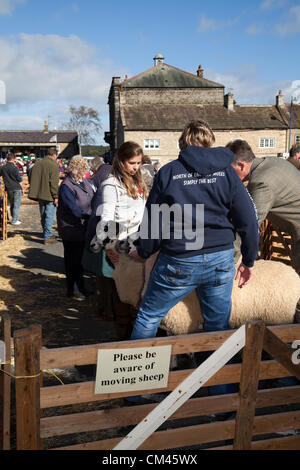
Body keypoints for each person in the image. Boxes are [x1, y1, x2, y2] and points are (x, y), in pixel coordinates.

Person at [129, 120, 259, 342]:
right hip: (220, 257)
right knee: (217, 325)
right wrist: (248, 260)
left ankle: (140, 374)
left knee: (149, 316)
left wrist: (143, 251)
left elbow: (154, 221)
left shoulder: (168, 173)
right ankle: (219, 376)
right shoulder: (227, 173)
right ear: (209, 143)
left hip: (180, 258)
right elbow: (248, 219)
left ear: (183, 143)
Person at [90, 141, 148, 339]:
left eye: (139, 163)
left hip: (138, 243)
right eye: (132, 163)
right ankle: (123, 339)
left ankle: (135, 334)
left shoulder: (138, 183)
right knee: (121, 294)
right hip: (119, 244)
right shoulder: (110, 185)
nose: (136, 167)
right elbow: (106, 218)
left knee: (138, 292)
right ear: (121, 161)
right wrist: (109, 247)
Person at [226, 139, 300, 277]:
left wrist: (228, 262)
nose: (228, 176)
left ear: (241, 165)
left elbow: (248, 225)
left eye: (230, 170)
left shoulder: (262, 182)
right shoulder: (272, 163)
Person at [57, 155, 95, 300]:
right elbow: (73, 209)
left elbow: (93, 196)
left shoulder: (84, 181)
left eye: (84, 171)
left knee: (80, 261)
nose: (82, 174)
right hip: (71, 229)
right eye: (80, 171)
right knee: (72, 261)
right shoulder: (66, 186)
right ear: (73, 170)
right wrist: (89, 216)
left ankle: (81, 287)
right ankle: (72, 290)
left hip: (83, 227)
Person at [28, 148, 59, 244]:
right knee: (49, 215)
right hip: (49, 194)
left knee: (43, 214)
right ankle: (48, 236)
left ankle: (46, 232)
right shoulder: (53, 164)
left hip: (40, 194)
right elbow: (53, 183)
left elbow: (31, 177)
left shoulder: (37, 164)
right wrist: (56, 196)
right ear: (55, 155)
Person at [0, 152, 24, 225]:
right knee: (16, 204)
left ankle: (14, 217)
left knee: (12, 204)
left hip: (8, 188)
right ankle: (14, 220)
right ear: (14, 159)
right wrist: (22, 189)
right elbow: (19, 180)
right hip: (16, 187)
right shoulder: (14, 168)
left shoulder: (3, 167)